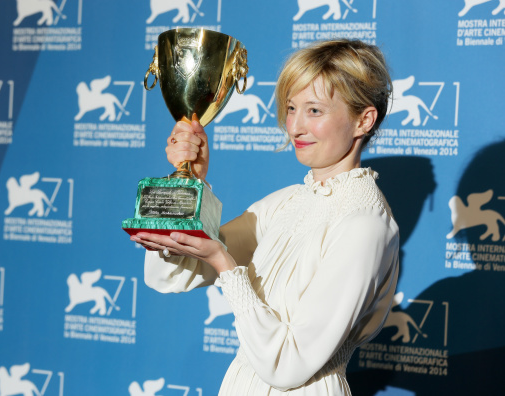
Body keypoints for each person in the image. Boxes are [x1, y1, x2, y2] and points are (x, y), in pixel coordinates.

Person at [131, 39, 400, 396]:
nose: (295, 127)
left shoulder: (365, 224)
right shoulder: (285, 203)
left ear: (363, 120)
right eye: (291, 108)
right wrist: (191, 183)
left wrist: (225, 265)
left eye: (315, 111)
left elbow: (289, 364)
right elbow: (173, 276)